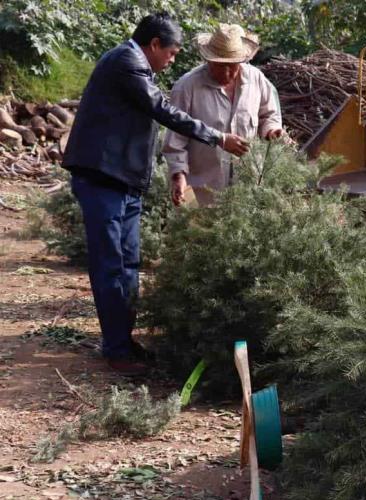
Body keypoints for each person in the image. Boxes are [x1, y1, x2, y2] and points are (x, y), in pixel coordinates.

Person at [62, 12, 249, 376]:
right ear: (154, 45)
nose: (173, 61)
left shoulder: (134, 64)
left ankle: (124, 341)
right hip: (104, 181)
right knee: (111, 266)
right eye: (172, 53)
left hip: (122, 183)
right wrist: (218, 137)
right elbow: (162, 110)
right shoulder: (127, 62)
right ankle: (116, 350)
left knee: (129, 265)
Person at [163, 23, 284, 207]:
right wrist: (178, 175)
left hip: (248, 188)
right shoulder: (187, 87)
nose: (227, 72)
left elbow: (269, 114)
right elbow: (175, 141)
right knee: (202, 235)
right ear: (208, 60)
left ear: (241, 60)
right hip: (202, 193)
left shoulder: (256, 79)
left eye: (232, 66)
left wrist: (271, 130)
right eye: (220, 65)